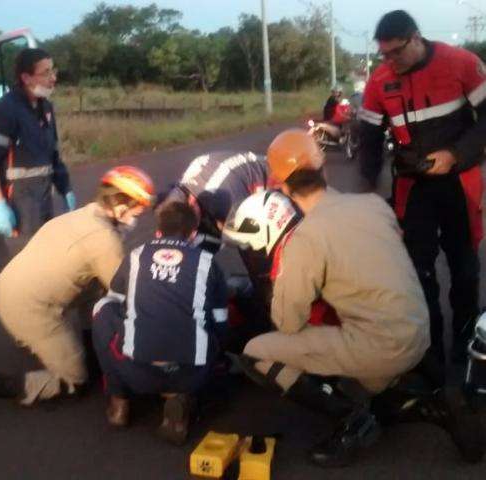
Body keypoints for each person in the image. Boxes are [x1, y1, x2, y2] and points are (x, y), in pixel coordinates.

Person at [226, 129, 439, 467]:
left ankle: (354, 419)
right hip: (419, 332)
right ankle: (420, 398)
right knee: (372, 368)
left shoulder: (305, 239)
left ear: (281, 188)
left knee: (256, 352)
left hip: (380, 347)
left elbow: (288, 323)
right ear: (323, 167)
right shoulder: (371, 205)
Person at [0, 166, 155, 423]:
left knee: (95, 288)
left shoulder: (83, 214)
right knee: (76, 381)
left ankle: (79, 344)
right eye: (139, 207)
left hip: (10, 289)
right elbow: (129, 293)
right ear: (122, 204)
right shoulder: (104, 240)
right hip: (29, 309)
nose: (141, 214)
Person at [357, 10, 486, 364]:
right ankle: (429, 348)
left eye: (396, 52)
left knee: (464, 265)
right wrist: (368, 188)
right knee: (417, 268)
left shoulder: (460, 63)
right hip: (413, 187)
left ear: (415, 38)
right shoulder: (380, 80)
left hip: (459, 181)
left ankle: (465, 342)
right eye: (383, 55)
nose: (389, 62)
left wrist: (455, 155)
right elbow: (367, 138)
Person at [91, 201, 228, 445]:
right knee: (210, 322)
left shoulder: (135, 256)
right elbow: (221, 324)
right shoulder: (208, 262)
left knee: (103, 308)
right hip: (192, 373)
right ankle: (180, 395)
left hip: (136, 373)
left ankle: (118, 400)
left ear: (158, 232)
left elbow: (116, 300)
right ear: (193, 234)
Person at [158, 151, 270, 349]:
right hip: (218, 185)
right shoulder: (173, 201)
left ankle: (268, 317)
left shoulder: (225, 200)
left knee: (260, 261)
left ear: (193, 206)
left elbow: (248, 244)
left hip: (264, 183)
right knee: (192, 253)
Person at [0, 48, 76, 257]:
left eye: (53, 70)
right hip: (19, 203)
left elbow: (53, 155)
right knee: (27, 261)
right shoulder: (5, 110)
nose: (53, 78)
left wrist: (65, 188)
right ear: (26, 77)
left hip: (43, 198)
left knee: (48, 257)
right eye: (46, 72)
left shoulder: (46, 108)